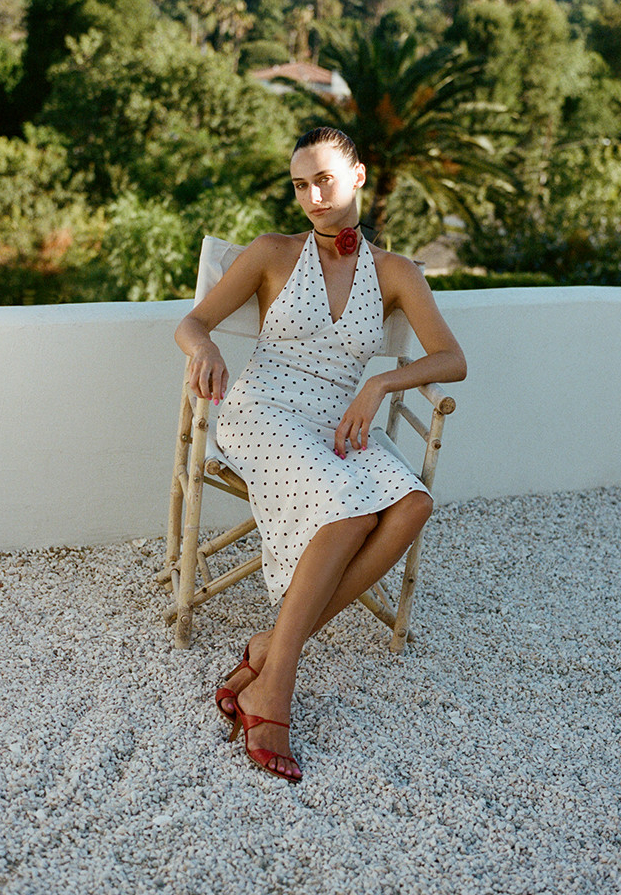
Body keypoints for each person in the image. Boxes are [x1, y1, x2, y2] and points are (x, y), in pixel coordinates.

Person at [174, 126, 466, 782]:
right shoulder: (272, 252)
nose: (312, 197)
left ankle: (269, 646)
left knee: (412, 506)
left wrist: (380, 382)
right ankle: (275, 688)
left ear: (358, 176)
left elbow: (453, 359)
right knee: (350, 512)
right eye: (300, 185)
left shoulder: (395, 272)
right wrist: (207, 348)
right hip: (264, 411)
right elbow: (192, 323)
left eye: (324, 180)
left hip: (337, 420)